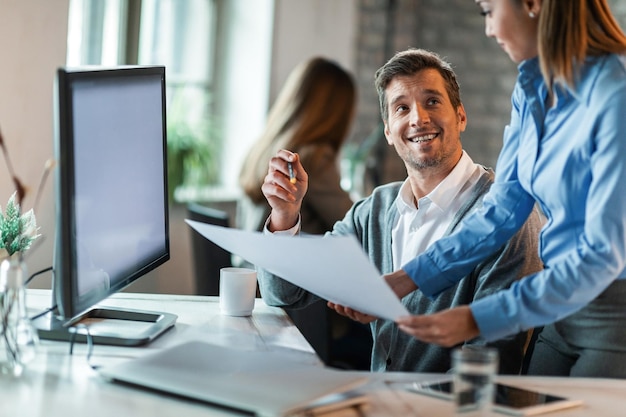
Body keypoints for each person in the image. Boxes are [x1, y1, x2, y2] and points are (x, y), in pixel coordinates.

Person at [258, 48, 544, 374]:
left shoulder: (506, 219)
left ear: (461, 116)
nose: (418, 118)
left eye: (432, 102)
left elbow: (492, 362)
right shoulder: (375, 211)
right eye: (402, 108)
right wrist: (285, 214)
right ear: (388, 132)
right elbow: (284, 293)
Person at [384, 0, 626, 378]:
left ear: (532, 4)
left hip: (614, 314)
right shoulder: (532, 91)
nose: (489, 29)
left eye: (488, 10)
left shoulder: (616, 94)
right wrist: (405, 279)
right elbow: (501, 211)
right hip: (557, 307)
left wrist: (478, 318)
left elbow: (601, 256)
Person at [237, 57, 370, 369]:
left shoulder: (265, 147)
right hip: (297, 313)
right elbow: (355, 222)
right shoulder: (313, 157)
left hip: (250, 286)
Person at [238, 57, 355, 235]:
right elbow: (355, 222)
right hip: (284, 261)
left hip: (247, 258)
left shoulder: (260, 149)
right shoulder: (313, 157)